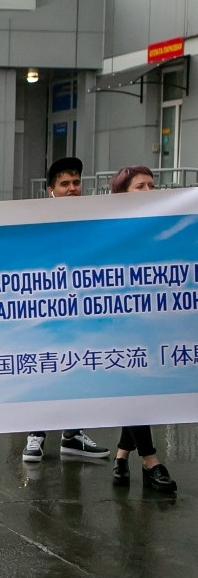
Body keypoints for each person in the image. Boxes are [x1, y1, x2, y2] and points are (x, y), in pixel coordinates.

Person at [22, 156, 111, 462]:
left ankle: (72, 436)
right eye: (65, 184)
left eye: (76, 183)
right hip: (44, 310)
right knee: (43, 367)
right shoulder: (34, 221)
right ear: (51, 190)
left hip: (79, 310)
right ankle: (36, 434)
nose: (72, 188)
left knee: (76, 366)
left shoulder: (92, 218)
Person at [107, 166, 176, 492]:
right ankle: (151, 461)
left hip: (152, 322)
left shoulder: (163, 227)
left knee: (137, 388)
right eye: (141, 186)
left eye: (152, 185)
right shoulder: (110, 229)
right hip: (118, 323)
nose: (150, 190)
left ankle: (122, 457)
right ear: (121, 195)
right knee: (133, 386)